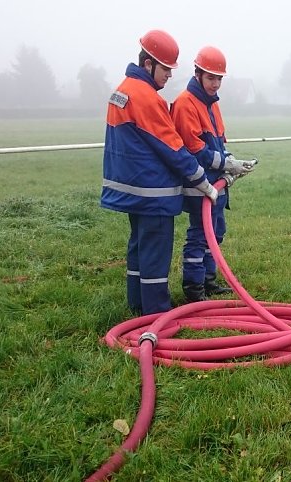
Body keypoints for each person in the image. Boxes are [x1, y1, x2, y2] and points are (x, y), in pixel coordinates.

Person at [101, 30, 219, 315]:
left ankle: (137, 304)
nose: (169, 75)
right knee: (155, 253)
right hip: (153, 193)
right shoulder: (147, 98)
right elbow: (173, 148)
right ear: (148, 64)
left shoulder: (122, 90)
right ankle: (156, 312)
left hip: (132, 190)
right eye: (165, 69)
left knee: (139, 249)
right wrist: (202, 181)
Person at [170, 45, 256, 302]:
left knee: (216, 233)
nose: (216, 84)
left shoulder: (211, 104)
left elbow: (218, 142)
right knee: (200, 235)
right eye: (211, 78)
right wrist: (227, 165)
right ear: (197, 74)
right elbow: (196, 150)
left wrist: (232, 161)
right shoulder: (186, 103)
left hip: (216, 183)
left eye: (219, 78)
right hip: (199, 183)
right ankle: (193, 288)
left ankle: (208, 280)